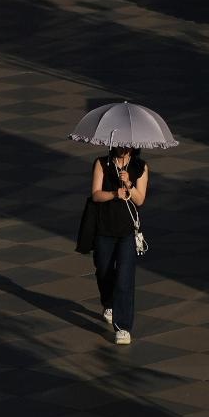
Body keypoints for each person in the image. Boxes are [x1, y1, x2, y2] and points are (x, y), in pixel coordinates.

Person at [91, 146, 149, 345]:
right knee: (103, 271)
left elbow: (140, 199)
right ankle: (109, 303)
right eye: (119, 144)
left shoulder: (140, 167)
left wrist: (129, 185)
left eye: (127, 144)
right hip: (104, 229)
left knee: (125, 277)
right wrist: (115, 194)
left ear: (133, 146)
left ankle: (123, 327)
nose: (122, 148)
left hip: (127, 232)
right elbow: (96, 194)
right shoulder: (101, 163)